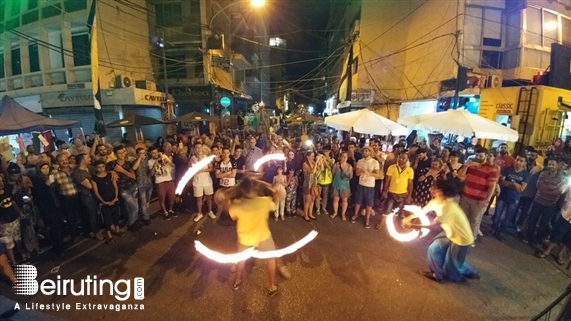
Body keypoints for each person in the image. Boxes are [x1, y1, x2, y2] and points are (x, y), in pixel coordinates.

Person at [215, 178, 285, 296]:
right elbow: (276, 201)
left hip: (245, 238)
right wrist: (274, 191)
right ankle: (272, 287)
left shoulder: (238, 205)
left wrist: (225, 200)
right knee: (271, 260)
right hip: (263, 236)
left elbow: (229, 212)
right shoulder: (265, 201)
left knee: (241, 260)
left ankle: (237, 281)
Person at [403, 178, 480, 283]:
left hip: (462, 239)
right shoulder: (436, 201)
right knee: (434, 248)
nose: (431, 189)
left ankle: (470, 272)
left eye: (434, 187)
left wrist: (413, 226)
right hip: (450, 233)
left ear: (440, 191)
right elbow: (423, 211)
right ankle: (437, 274)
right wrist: (408, 218)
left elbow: (433, 227)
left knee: (453, 265)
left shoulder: (448, 208)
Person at [457, 147, 498, 242]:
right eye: (477, 155)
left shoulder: (491, 170)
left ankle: (471, 240)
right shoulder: (470, 165)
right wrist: (466, 166)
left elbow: (492, 187)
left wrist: (487, 200)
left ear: (486, 156)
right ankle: (461, 237)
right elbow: (460, 176)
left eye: (481, 156)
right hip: (466, 197)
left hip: (479, 200)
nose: (478, 157)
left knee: (474, 221)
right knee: (462, 218)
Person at [491, 154, 530, 240]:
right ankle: (494, 229)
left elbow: (521, 188)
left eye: (521, 161)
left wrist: (509, 183)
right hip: (502, 195)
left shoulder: (526, 174)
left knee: (508, 216)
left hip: (514, 198)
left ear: (525, 163)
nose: (518, 162)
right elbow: (501, 182)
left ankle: (500, 231)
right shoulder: (507, 170)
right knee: (497, 214)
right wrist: (514, 184)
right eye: (517, 159)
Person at [91, 160, 124, 244]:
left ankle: (117, 229)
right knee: (107, 218)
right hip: (104, 202)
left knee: (116, 215)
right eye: (99, 167)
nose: (101, 169)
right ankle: (109, 235)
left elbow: (115, 187)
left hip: (113, 199)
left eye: (102, 167)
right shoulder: (94, 179)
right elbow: (96, 192)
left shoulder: (110, 175)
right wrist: (103, 202)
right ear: (95, 168)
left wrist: (115, 197)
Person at [352, 146, 381, 228]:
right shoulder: (360, 161)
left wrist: (367, 172)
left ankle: (367, 218)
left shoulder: (375, 162)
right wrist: (361, 171)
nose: (364, 153)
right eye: (363, 151)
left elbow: (377, 174)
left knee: (369, 203)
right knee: (358, 201)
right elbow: (357, 173)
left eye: (366, 151)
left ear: (370, 152)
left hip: (370, 185)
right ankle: (355, 214)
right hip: (361, 183)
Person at [149, 147, 177, 220]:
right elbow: (151, 174)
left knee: (172, 196)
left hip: (169, 179)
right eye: (153, 153)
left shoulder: (163, 156)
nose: (155, 154)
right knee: (162, 198)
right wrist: (154, 165)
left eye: (156, 152)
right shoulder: (150, 161)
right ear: (150, 154)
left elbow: (173, 165)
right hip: (160, 182)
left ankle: (170, 210)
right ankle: (165, 212)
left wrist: (168, 162)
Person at [192, 142, 215, 222]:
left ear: (202, 148)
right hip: (197, 182)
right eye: (196, 147)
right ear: (194, 149)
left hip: (207, 181)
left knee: (209, 197)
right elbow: (191, 170)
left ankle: (210, 211)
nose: (198, 149)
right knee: (199, 198)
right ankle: (199, 213)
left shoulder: (206, 158)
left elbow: (212, 168)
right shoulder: (192, 158)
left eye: (200, 147)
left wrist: (202, 170)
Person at [330, 151, 353, 221]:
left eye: (345, 157)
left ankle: (343, 214)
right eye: (343, 156)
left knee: (344, 200)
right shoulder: (336, 165)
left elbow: (351, 176)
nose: (344, 158)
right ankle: (335, 212)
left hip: (345, 186)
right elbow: (333, 173)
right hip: (336, 184)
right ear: (340, 157)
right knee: (335, 199)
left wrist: (343, 169)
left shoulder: (349, 166)